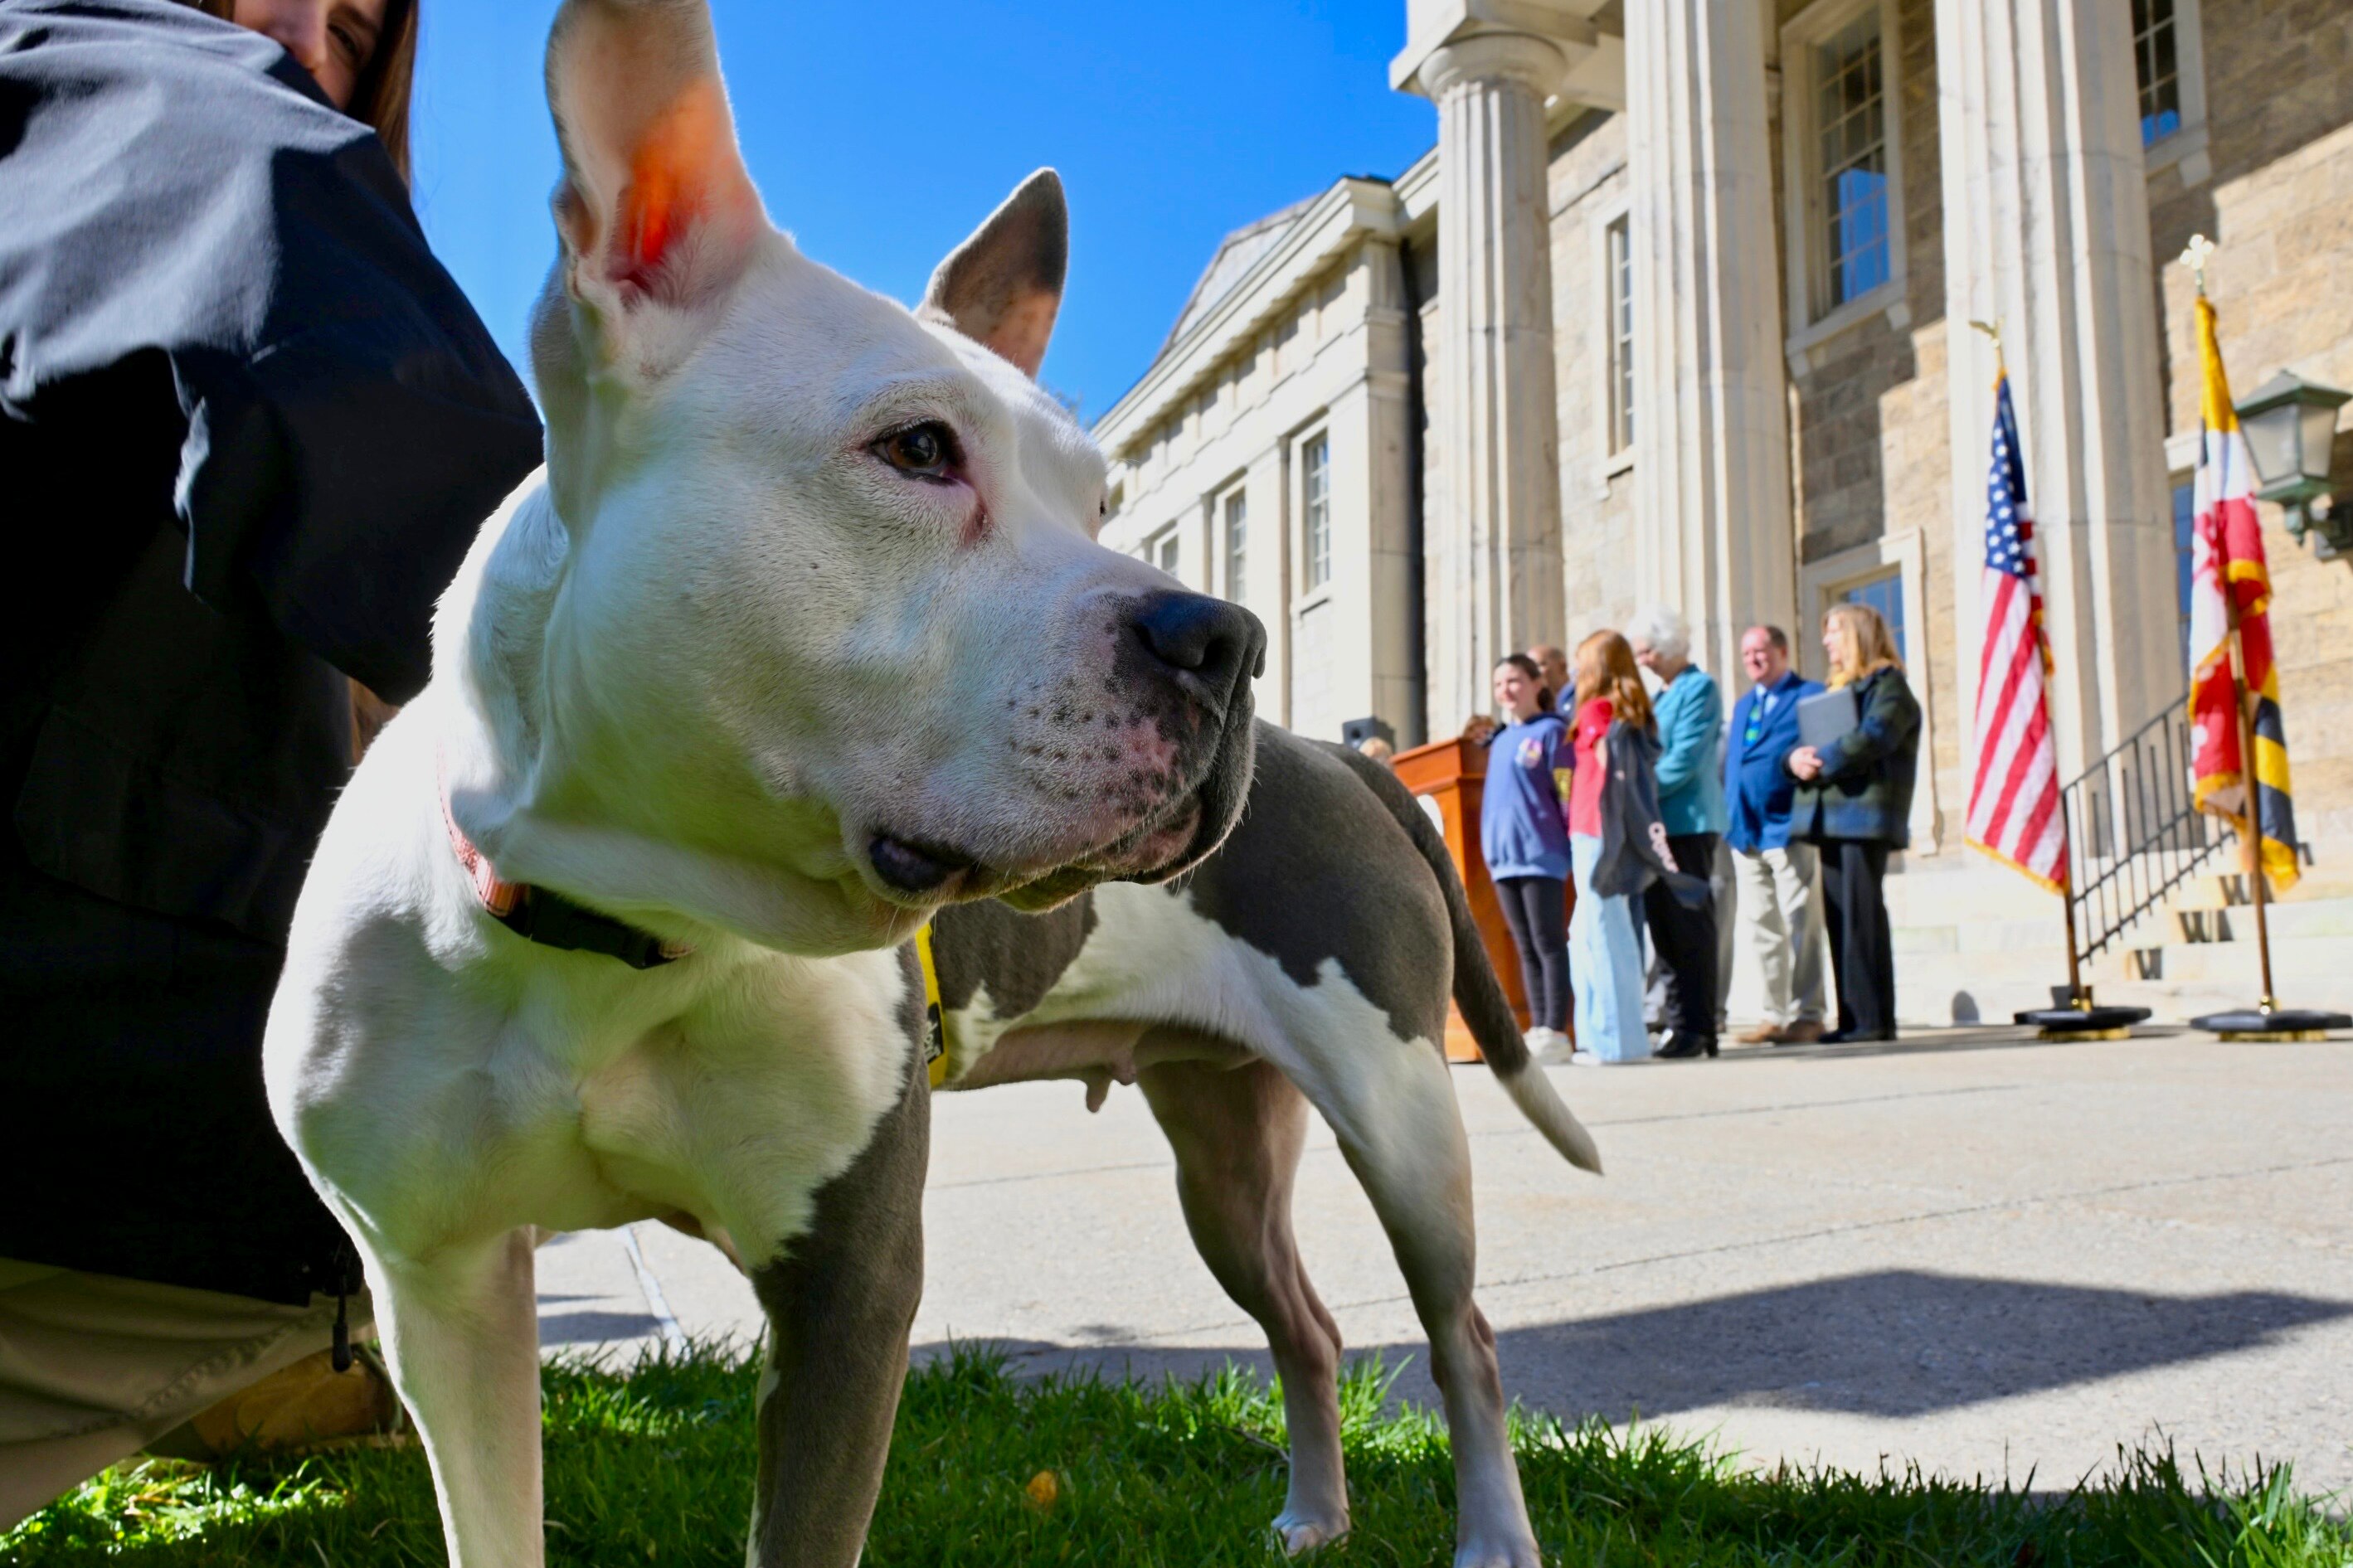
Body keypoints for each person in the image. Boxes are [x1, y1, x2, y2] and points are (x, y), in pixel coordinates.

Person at [0, 0, 542, 1522]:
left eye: (358, 25)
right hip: (105, 1173)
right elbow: (231, 171)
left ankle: (295, 1344)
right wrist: (671, 705)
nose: (301, 36)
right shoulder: (120, 91)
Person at [1787, 604, 1922, 1043]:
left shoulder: (1890, 686)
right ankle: (1851, 1018)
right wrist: (1796, 759)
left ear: (1859, 635)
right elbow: (1798, 743)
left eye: (1834, 632)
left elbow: (1874, 737)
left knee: (1862, 917)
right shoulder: (1833, 690)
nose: (1826, 642)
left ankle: (1873, 1020)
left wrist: (1821, 758)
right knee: (1840, 917)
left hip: (1864, 819)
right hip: (1831, 818)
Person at [1626, 607, 1725, 1059]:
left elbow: (1683, 757)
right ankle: (1679, 1022)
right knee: (1664, 932)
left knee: (1690, 930)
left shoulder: (1699, 689)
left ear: (1667, 649)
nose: (1642, 661)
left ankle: (1700, 1027)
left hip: (1686, 823)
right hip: (1658, 827)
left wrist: (1638, 791)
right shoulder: (1662, 696)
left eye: (1647, 651)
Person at [1723, 625, 1830, 1045]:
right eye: (1747, 652)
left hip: (1788, 827)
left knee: (1802, 922)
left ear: (1782, 651)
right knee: (1762, 926)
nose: (1752, 658)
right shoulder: (1745, 703)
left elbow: (1824, 752)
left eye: (1760, 650)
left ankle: (1809, 1012)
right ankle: (1773, 1014)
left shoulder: (1809, 694)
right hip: (1745, 832)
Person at [1563, 633, 1664, 1064]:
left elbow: (1607, 767)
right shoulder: (1631, 711)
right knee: (1616, 935)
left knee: (1595, 936)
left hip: (1595, 829)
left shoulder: (1595, 710)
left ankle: (1609, 1042)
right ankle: (1628, 1040)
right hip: (1614, 833)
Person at [1478, 655, 1573, 1061]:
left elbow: (1566, 789)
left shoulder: (1553, 732)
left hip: (1542, 853)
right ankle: (1538, 1025)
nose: (1506, 691)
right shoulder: (1500, 741)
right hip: (1504, 858)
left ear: (1537, 684)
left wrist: (1572, 840)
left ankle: (1557, 1028)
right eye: (1500, 684)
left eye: (1515, 681)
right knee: (1524, 945)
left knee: (1549, 942)